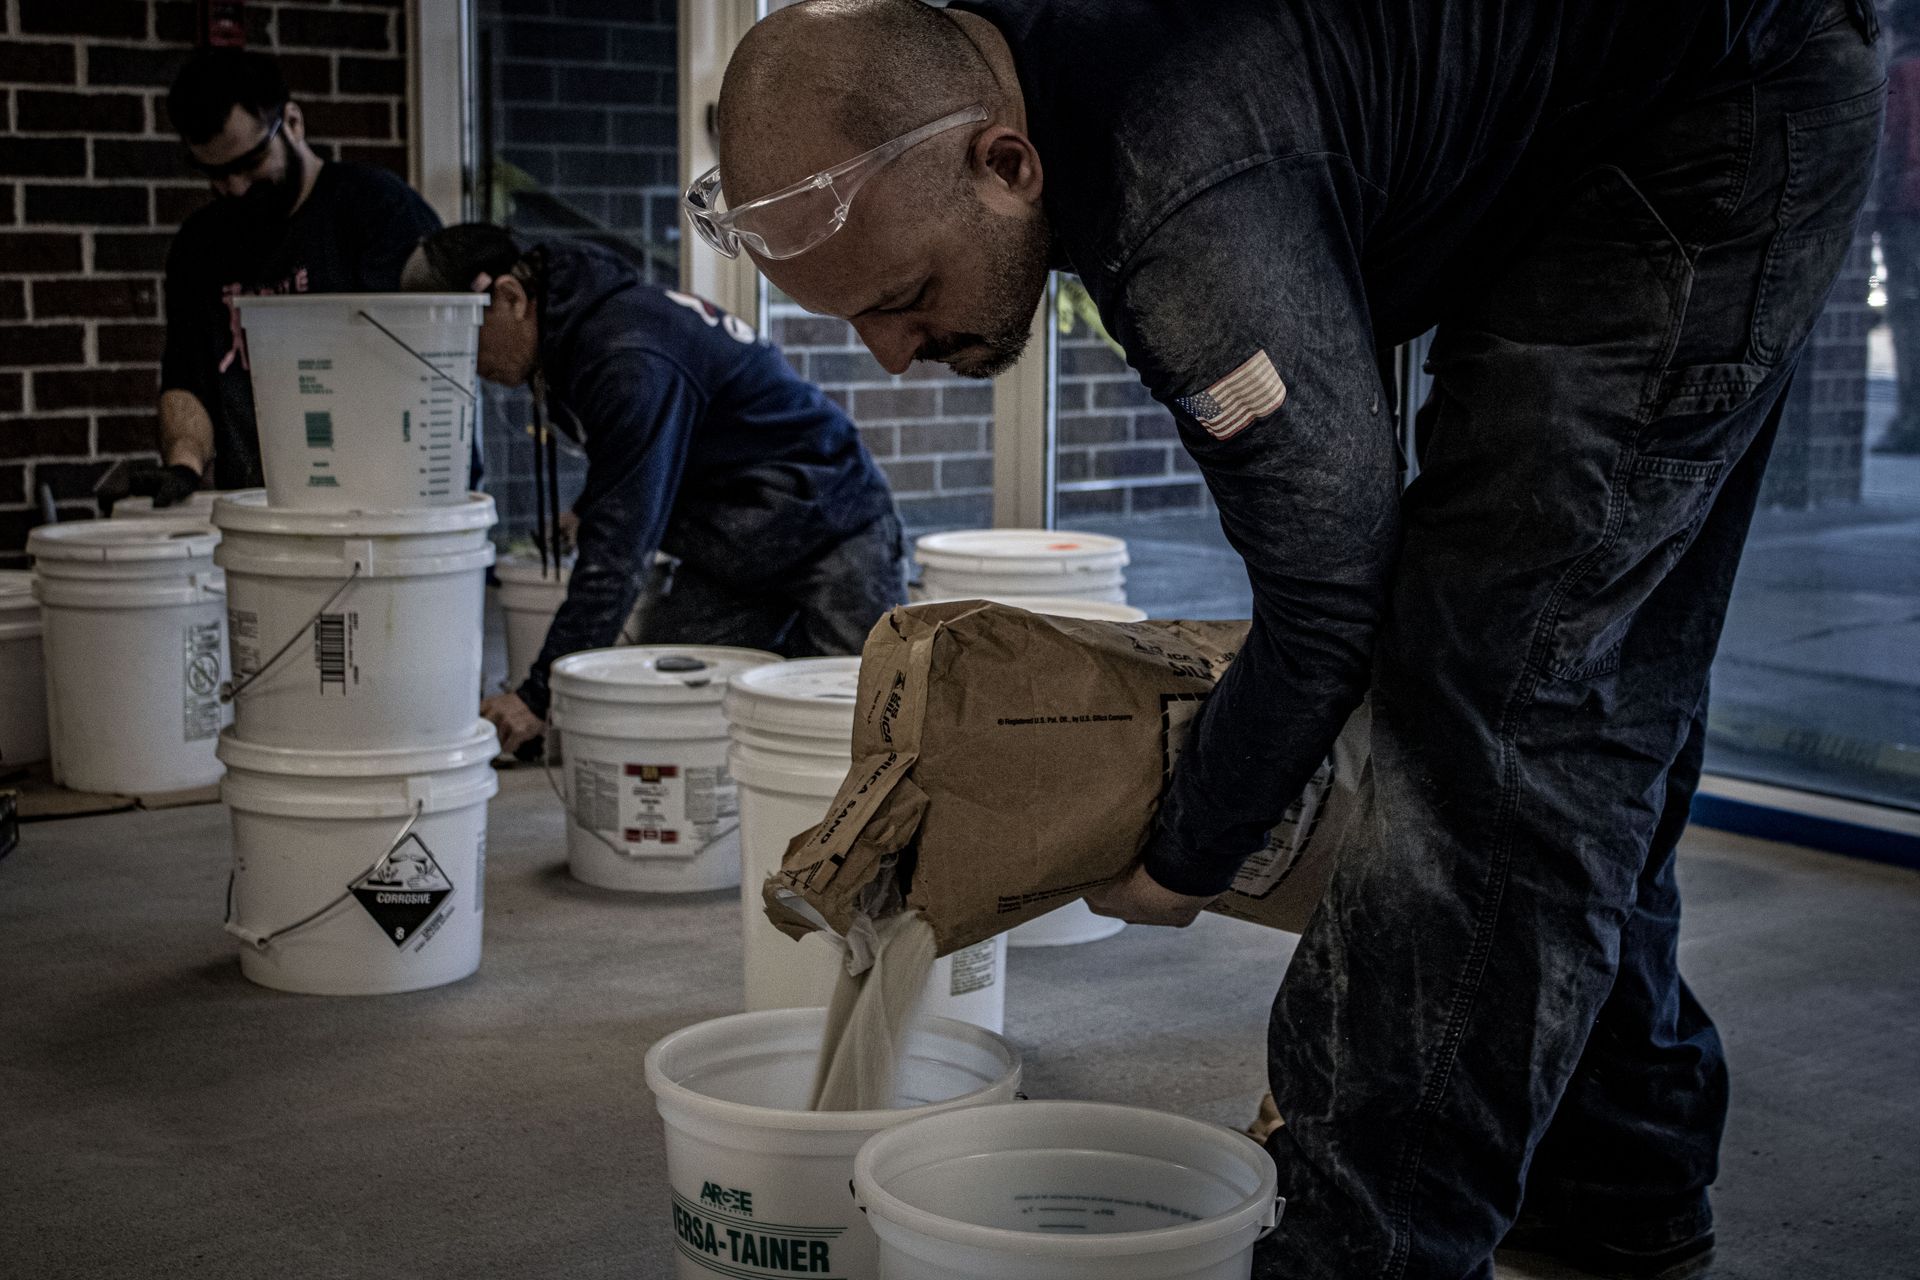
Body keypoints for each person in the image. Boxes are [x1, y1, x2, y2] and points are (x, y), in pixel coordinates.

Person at [707, 2, 1884, 1278]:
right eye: (852, 324)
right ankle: (1614, 1178)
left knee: (1496, 716)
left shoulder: (1175, 189)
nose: (889, 356)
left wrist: (1186, 850)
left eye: (907, 296)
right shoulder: (1057, 98)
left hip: (1709, 113)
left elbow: (1331, 586)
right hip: (1615, 115)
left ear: (1006, 162)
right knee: (1580, 669)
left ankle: (1359, 1246)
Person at [401, 225, 906, 755]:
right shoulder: (583, 331)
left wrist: (537, 694)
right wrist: (588, 507)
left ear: (509, 297)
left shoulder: (625, 354)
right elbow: (645, 449)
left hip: (830, 523)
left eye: (464, 339)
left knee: (866, 721)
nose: (466, 364)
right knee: (674, 706)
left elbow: (619, 552)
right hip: (734, 535)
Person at [152, 48, 441, 504]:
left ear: (292, 123)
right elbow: (188, 380)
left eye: (249, 164)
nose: (236, 188)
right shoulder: (200, 245)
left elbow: (423, 371)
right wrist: (184, 466)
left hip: (382, 507)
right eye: (215, 174)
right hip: (261, 515)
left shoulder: (377, 212)